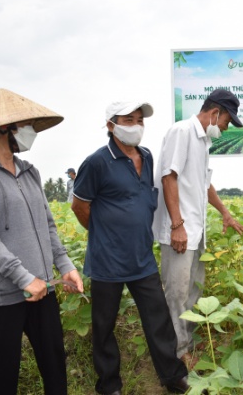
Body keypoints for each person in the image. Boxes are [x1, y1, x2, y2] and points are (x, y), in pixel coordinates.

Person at [0, 88, 84, 395]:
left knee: (55, 368)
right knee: (0, 378)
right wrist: (24, 278)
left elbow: (47, 224)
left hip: (44, 288)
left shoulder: (29, 172)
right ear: (3, 128)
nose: (32, 133)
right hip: (2, 295)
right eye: (27, 126)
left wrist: (64, 265)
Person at [71, 101, 189, 395]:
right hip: (107, 261)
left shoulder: (146, 157)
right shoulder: (97, 162)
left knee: (158, 320)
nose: (136, 125)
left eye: (139, 120)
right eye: (128, 119)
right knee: (104, 326)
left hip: (142, 258)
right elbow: (79, 205)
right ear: (111, 125)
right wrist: (103, 235)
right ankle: (109, 386)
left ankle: (174, 378)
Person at [153, 89, 243, 366]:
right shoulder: (182, 132)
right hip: (179, 231)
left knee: (193, 290)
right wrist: (177, 225)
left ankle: (187, 343)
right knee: (177, 294)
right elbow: (169, 177)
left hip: (195, 230)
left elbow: (204, 184)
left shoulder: (204, 141)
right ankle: (178, 355)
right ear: (215, 113)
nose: (226, 128)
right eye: (227, 122)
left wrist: (225, 212)